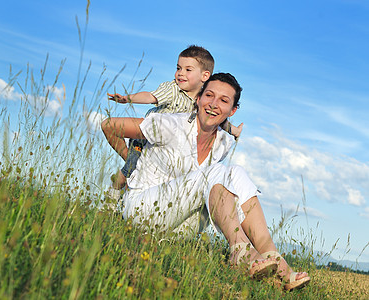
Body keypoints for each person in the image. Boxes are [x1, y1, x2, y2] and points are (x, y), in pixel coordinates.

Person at [101, 73, 310, 290]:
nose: (213, 104)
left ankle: (280, 267)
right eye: (209, 95)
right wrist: (131, 160)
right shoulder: (170, 124)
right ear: (198, 99)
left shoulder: (223, 142)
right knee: (217, 171)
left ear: (232, 111)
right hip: (143, 213)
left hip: (181, 227)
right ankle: (241, 252)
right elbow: (109, 125)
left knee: (236, 172)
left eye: (223, 100)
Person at [106, 45, 243, 200]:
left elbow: (217, 118)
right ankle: (113, 195)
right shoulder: (172, 89)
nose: (180, 74)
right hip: (146, 138)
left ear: (205, 76)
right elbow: (150, 96)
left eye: (188, 70)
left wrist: (233, 130)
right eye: (178, 68)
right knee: (130, 168)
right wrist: (128, 99)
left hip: (168, 144)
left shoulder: (204, 97)